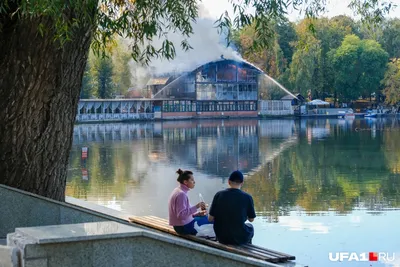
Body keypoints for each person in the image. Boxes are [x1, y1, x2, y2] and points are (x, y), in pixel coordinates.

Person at [208, 170, 256, 245]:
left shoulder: (219, 195)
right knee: (250, 227)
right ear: (242, 183)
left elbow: (210, 218)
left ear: (229, 182)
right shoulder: (247, 197)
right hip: (239, 236)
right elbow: (251, 219)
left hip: (221, 237)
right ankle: (246, 248)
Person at [168, 168, 210, 235]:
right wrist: (197, 206)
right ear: (185, 182)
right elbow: (181, 216)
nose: (194, 182)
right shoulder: (181, 194)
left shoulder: (178, 190)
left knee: (205, 217)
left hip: (181, 225)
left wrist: (198, 214)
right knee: (212, 221)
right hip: (183, 227)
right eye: (192, 180)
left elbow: (184, 212)